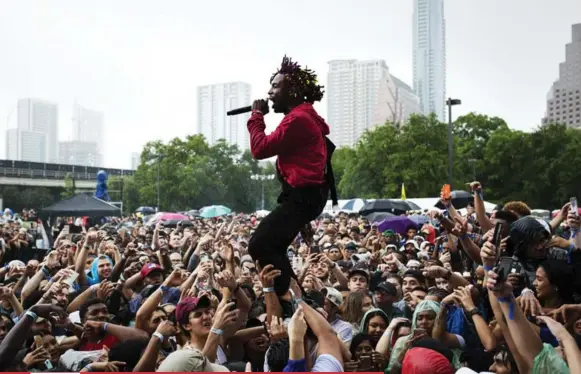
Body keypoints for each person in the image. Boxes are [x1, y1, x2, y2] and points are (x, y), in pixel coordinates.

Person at [246, 55, 337, 295]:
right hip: (304, 197)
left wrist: (256, 116)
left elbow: (260, 148)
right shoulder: (304, 117)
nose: (269, 92)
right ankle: (294, 294)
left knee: (259, 244)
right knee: (273, 247)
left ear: (293, 91)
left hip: (302, 197)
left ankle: (290, 298)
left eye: (276, 86)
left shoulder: (297, 119)